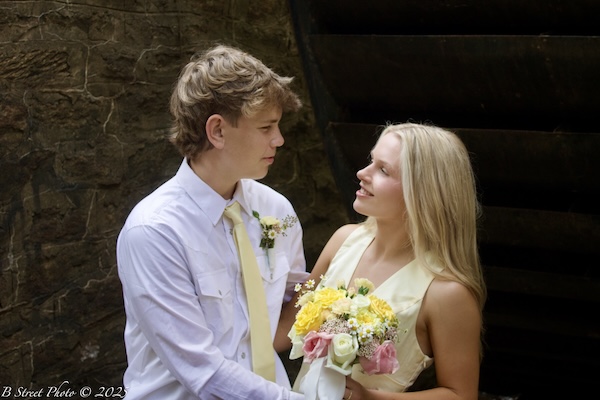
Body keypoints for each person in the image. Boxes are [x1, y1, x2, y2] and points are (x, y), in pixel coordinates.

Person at [117, 44, 308, 399]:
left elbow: (294, 306)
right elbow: (203, 372)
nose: (279, 139)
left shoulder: (276, 209)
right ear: (217, 130)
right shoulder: (155, 231)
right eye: (266, 127)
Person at [277, 123, 486, 400]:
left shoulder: (447, 293)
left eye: (383, 170)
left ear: (422, 192)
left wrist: (368, 397)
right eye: (370, 161)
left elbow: (461, 395)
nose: (362, 173)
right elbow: (283, 330)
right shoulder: (343, 241)